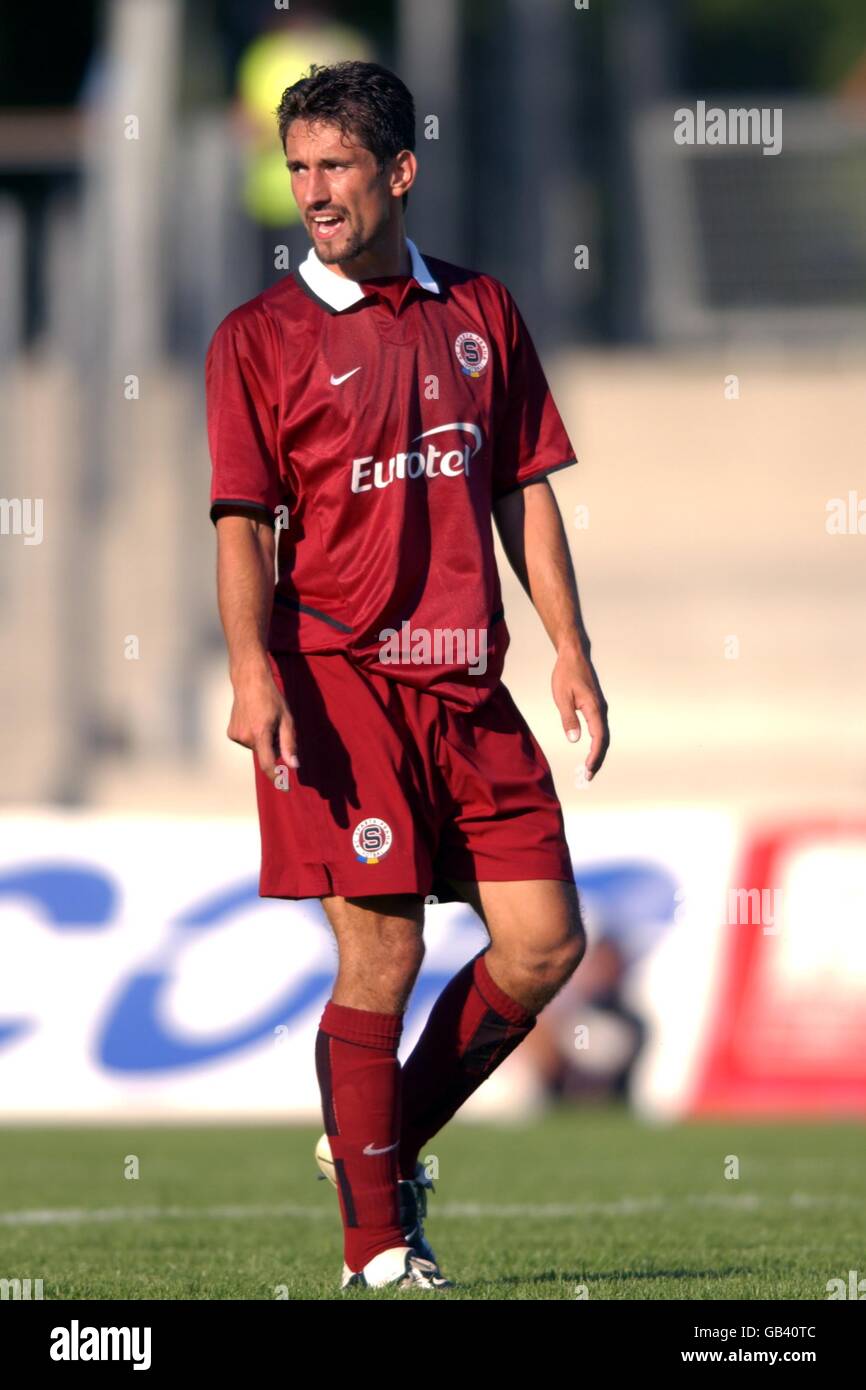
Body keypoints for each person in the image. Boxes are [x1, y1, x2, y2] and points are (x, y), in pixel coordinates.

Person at [205, 59, 609, 1292]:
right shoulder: (257, 338)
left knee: (544, 944)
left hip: (465, 685)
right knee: (376, 957)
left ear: (399, 170)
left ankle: (372, 1146)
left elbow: (519, 492)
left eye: (336, 167)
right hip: (336, 682)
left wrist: (571, 648)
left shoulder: (481, 308)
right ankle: (376, 1248)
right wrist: (250, 673)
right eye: (298, 169)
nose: (314, 194)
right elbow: (240, 523)